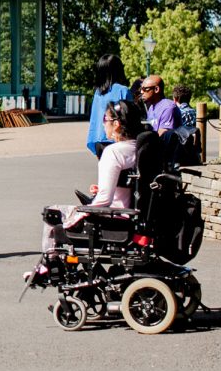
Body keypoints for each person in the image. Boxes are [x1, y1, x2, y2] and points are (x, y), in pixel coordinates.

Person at [28, 99, 142, 282]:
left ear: (117, 124)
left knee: (54, 213)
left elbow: (104, 200)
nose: (103, 123)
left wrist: (77, 216)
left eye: (105, 118)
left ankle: (49, 266)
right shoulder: (139, 148)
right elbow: (130, 182)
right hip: (132, 213)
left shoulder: (113, 152)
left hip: (115, 218)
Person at [86, 54, 133, 157]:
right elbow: (129, 116)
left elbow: (94, 118)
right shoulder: (123, 90)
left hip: (98, 138)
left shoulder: (98, 93)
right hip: (116, 139)